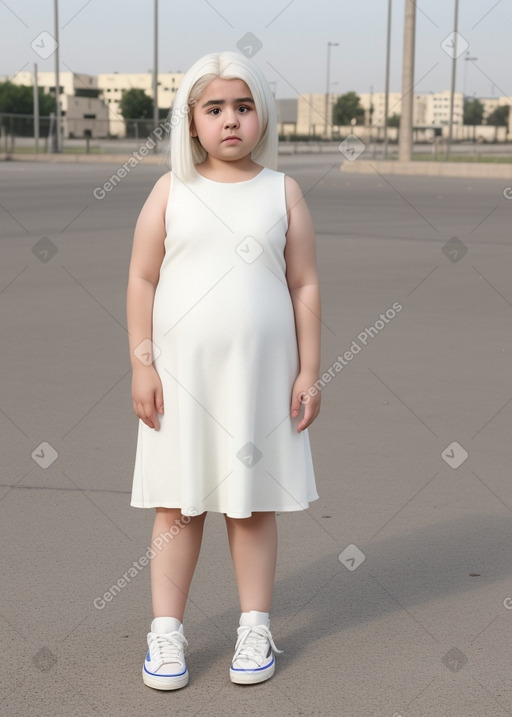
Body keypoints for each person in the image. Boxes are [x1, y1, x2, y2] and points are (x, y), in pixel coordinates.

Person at [126, 50, 321, 690]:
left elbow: (304, 285)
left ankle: (255, 626)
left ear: (262, 114)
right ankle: (166, 635)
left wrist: (309, 369)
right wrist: (142, 364)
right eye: (214, 109)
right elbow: (143, 277)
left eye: (243, 106)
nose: (230, 120)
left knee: (250, 505)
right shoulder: (170, 191)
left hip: (259, 378)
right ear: (191, 122)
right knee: (177, 505)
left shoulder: (281, 192)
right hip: (180, 380)